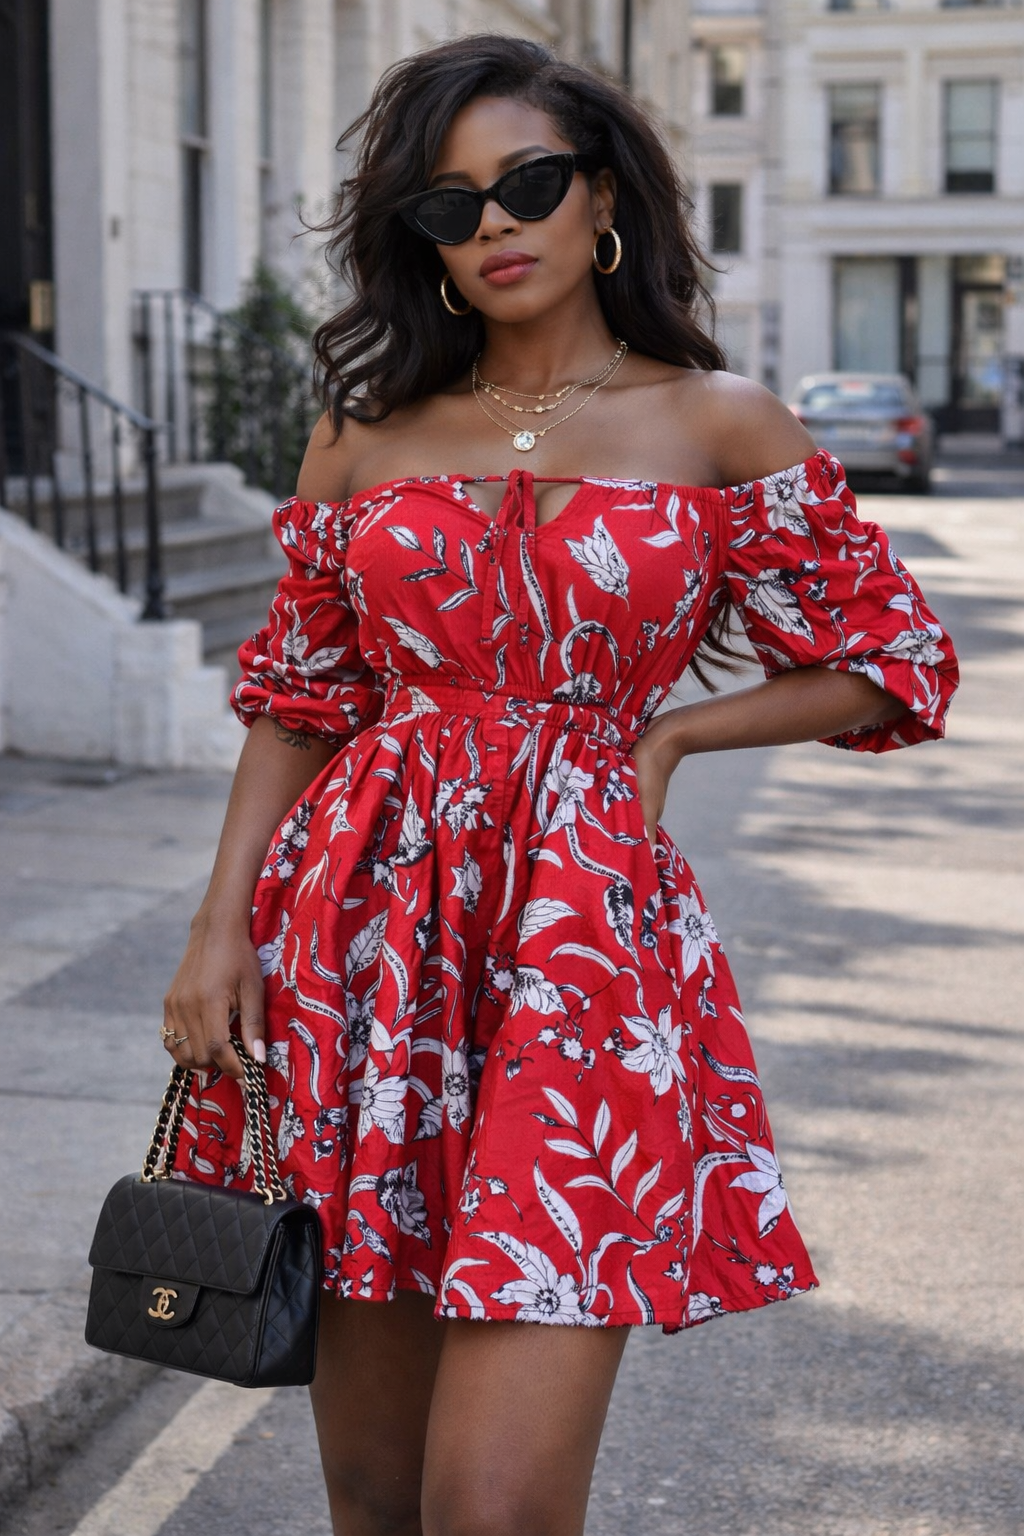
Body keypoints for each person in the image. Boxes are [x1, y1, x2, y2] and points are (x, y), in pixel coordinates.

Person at [161, 34, 958, 1536]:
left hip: (578, 963)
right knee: (374, 1501)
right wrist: (219, 935)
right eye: (448, 209)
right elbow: (296, 703)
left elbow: (895, 662)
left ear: (601, 197)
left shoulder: (717, 422)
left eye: (526, 183)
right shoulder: (366, 427)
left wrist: (666, 739)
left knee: (493, 1509)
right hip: (364, 955)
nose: (493, 227)